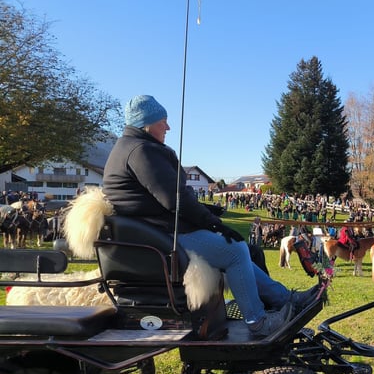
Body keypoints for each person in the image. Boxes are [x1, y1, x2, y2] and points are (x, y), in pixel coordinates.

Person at [102, 95, 322, 338]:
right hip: (158, 238)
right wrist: (213, 223)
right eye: (163, 121)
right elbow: (174, 200)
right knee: (235, 250)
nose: (168, 127)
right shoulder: (140, 151)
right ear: (147, 123)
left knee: (241, 250)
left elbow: (163, 198)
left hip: (154, 233)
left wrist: (207, 211)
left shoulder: (130, 147)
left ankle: (284, 299)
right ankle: (258, 322)